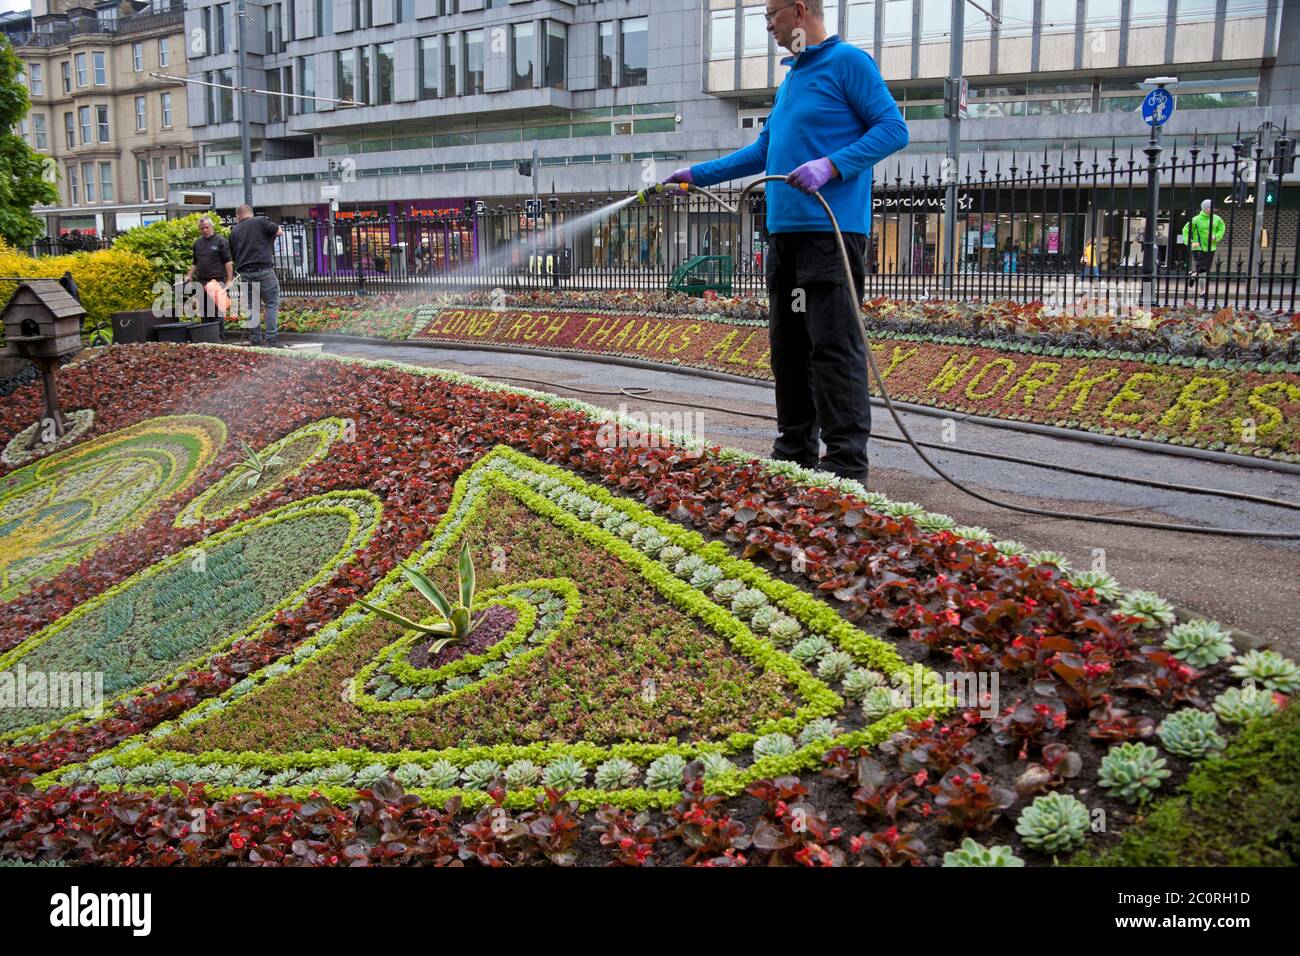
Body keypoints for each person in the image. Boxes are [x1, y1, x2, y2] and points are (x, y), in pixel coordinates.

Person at [661, 0, 907, 483]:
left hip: (831, 235)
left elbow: (893, 129)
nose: (768, 25)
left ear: (799, 11)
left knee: (833, 347)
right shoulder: (791, 79)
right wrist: (697, 174)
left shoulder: (849, 63)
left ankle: (845, 464)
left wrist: (831, 165)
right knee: (788, 348)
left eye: (771, 14)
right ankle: (795, 452)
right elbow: (763, 151)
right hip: (786, 238)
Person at [228, 204, 284, 347]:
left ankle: (255, 339)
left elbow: (233, 255)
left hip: (245, 272)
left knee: (252, 307)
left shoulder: (234, 232)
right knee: (271, 304)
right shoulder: (260, 221)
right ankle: (271, 338)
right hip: (263, 269)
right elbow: (279, 232)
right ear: (251, 213)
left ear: (237, 216)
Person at [184, 216, 234, 324]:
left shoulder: (221, 241)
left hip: (216, 280)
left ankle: (219, 336)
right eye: (202, 228)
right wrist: (189, 276)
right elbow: (195, 263)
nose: (205, 230)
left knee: (217, 309)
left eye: (206, 227)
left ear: (212, 227)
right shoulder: (197, 243)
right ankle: (207, 336)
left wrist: (229, 279)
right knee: (204, 310)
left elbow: (228, 262)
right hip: (202, 281)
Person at [1181, 198, 1225, 283]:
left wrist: (1216, 237)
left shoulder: (1217, 219)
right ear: (1205, 209)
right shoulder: (1196, 219)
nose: (1213, 209)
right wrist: (1190, 242)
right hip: (1198, 247)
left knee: (1206, 269)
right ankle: (1202, 292)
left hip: (1211, 247)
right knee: (1202, 269)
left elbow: (1222, 228)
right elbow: (1185, 230)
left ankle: (1193, 276)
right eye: (1211, 207)